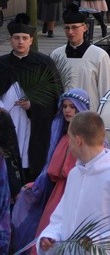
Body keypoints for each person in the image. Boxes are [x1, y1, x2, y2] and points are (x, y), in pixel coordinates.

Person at [37, 111, 110, 254]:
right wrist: (51, 235)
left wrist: (95, 241)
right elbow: (62, 216)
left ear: (78, 140)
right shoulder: (75, 174)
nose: (68, 144)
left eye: (69, 139)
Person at [26, 90, 91, 252]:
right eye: (64, 106)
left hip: (78, 196)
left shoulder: (92, 140)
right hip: (57, 195)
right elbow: (51, 170)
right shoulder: (62, 137)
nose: (67, 110)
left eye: (72, 107)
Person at [0, 14, 61, 181]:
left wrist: (33, 105)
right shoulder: (2, 64)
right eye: (16, 38)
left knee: (29, 158)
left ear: (31, 40)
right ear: (11, 40)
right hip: (6, 119)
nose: (20, 41)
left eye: (24, 38)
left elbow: (54, 96)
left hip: (32, 123)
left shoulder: (43, 63)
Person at [50, 8, 110, 110]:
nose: (70, 32)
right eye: (67, 28)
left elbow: (107, 90)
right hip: (64, 114)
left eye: (75, 27)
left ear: (85, 27)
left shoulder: (99, 55)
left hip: (90, 115)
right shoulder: (57, 55)